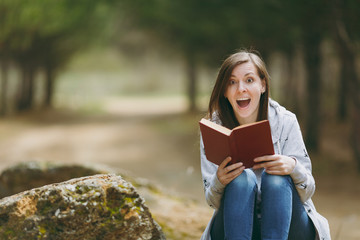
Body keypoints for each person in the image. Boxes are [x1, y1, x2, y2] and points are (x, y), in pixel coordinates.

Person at [200, 50, 331, 240]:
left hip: (289, 226)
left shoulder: (286, 121)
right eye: (232, 82)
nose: (241, 89)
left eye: (249, 80)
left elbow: (308, 190)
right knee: (241, 180)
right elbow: (211, 201)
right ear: (225, 91)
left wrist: (293, 168)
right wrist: (220, 180)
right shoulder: (213, 128)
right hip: (235, 226)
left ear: (262, 85)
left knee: (276, 180)